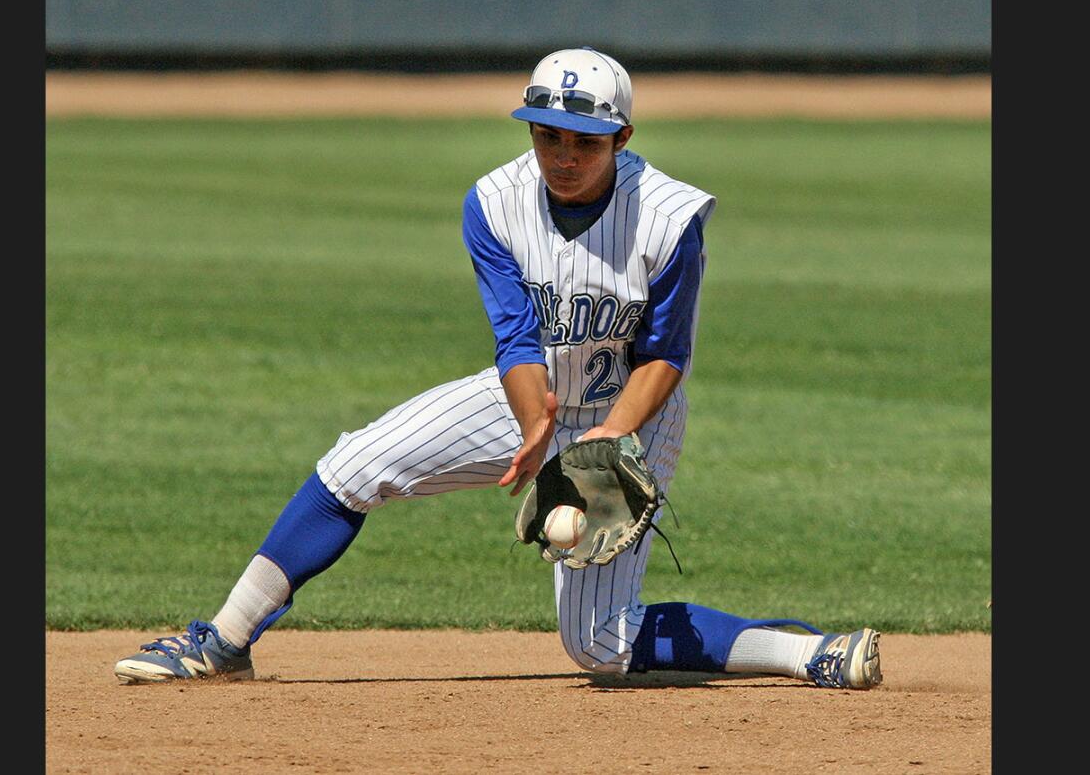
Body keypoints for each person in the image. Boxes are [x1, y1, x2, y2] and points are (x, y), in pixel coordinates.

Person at [114, 47, 882, 689]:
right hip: (533, 390)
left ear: (622, 137)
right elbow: (516, 337)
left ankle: (808, 653)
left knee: (601, 648)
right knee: (356, 462)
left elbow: (665, 355)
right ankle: (222, 641)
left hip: (632, 409)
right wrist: (536, 421)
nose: (565, 156)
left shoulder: (669, 218)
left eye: (584, 141)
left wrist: (604, 446)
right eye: (550, 137)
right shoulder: (494, 202)